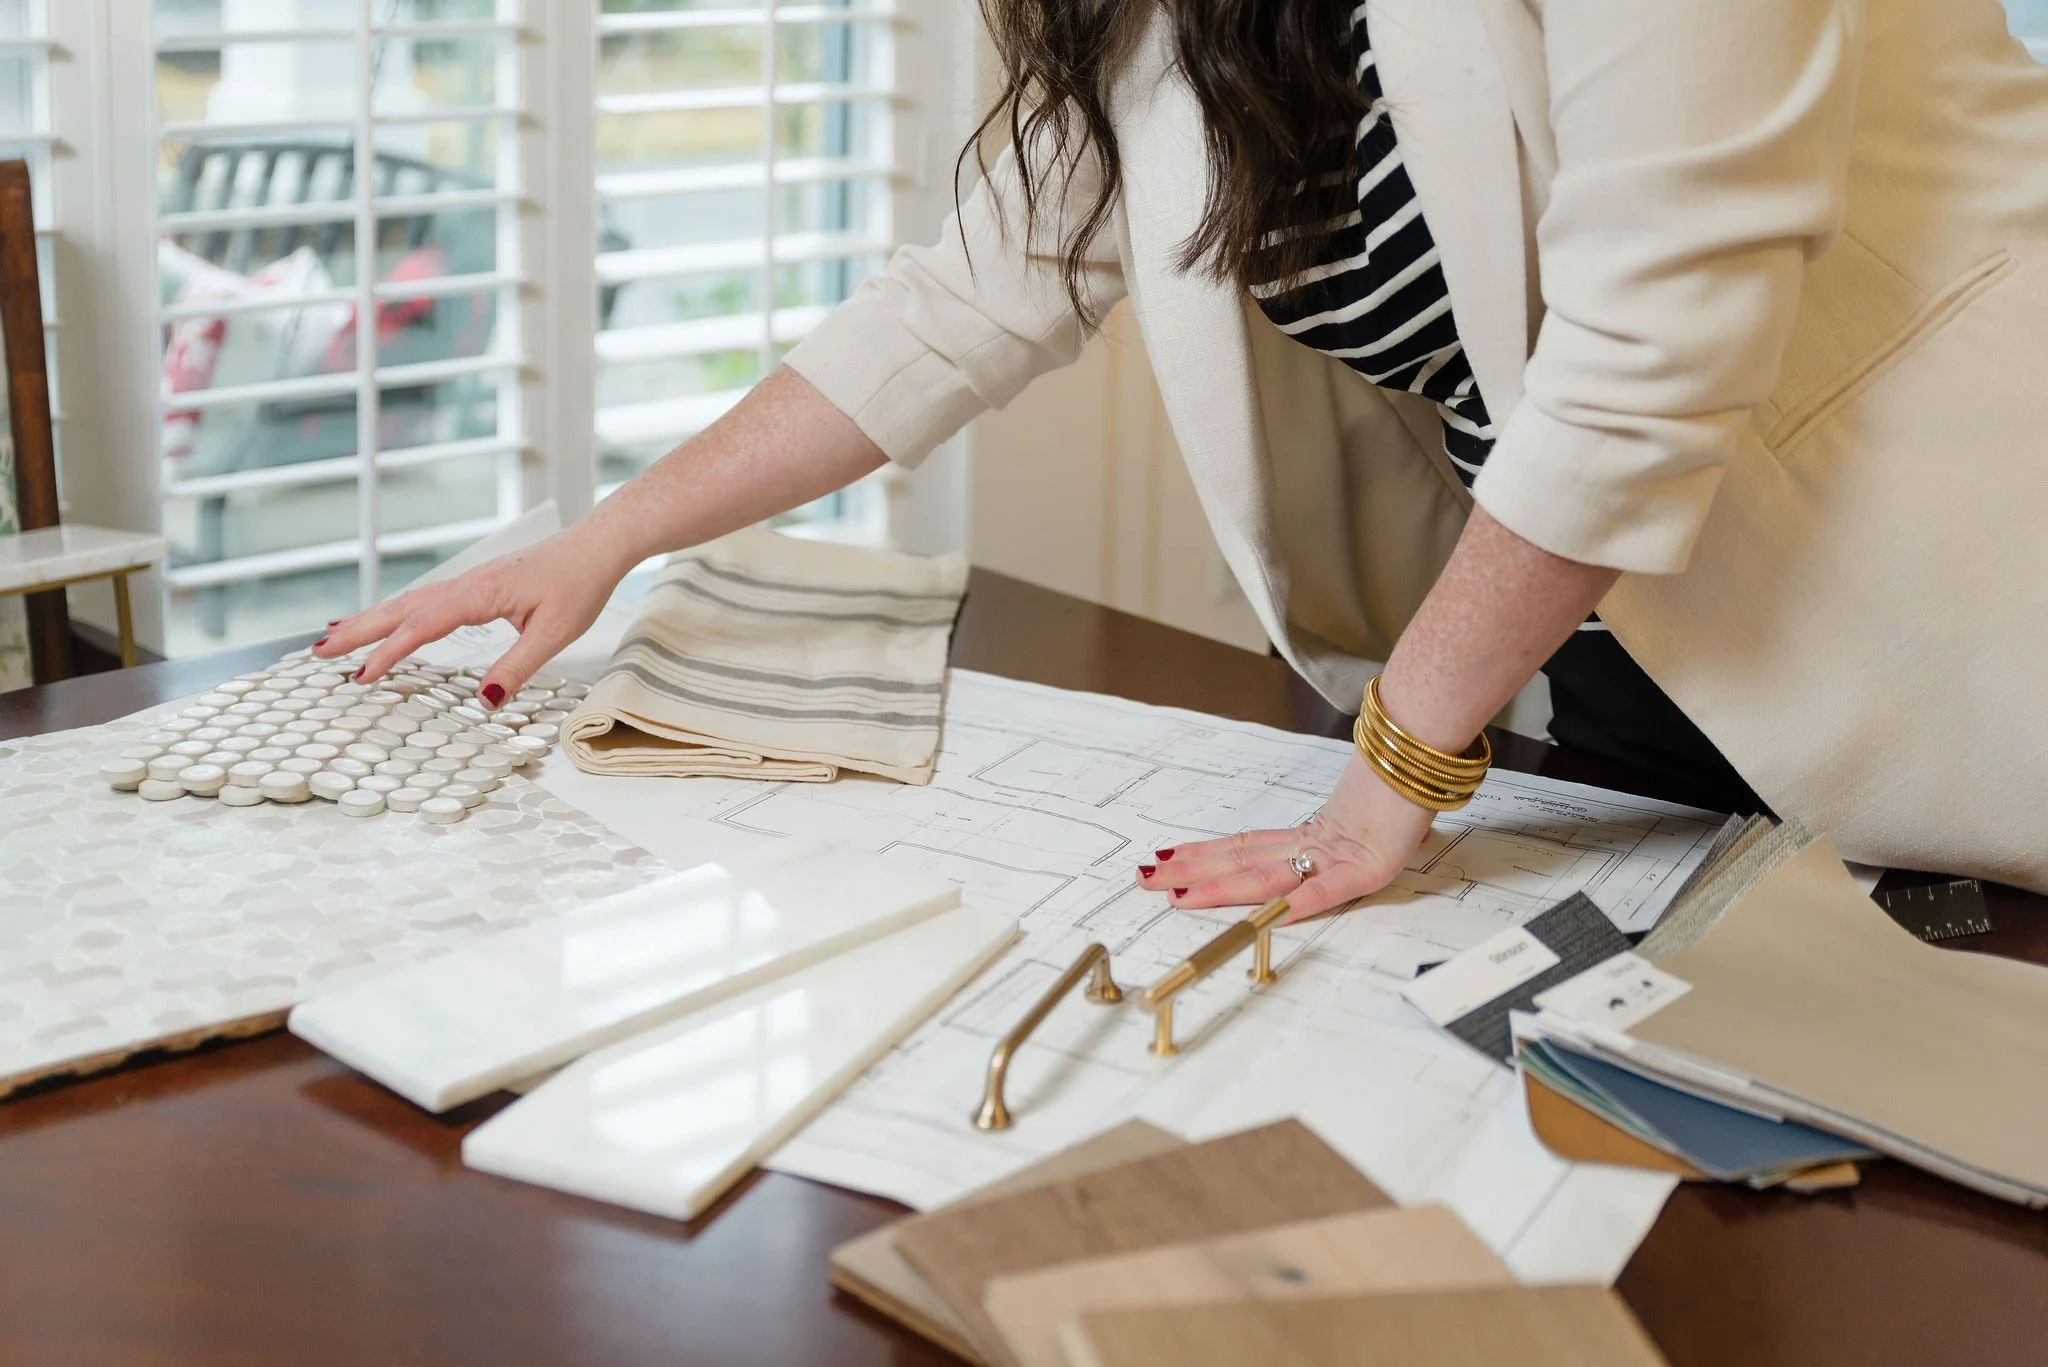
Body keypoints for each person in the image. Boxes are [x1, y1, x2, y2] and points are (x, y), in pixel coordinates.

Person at [318, 0, 2048, 903]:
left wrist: (1402, 765)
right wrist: (606, 537)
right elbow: (971, 291)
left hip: (1959, 592)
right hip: (1612, 638)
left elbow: (1652, 341)